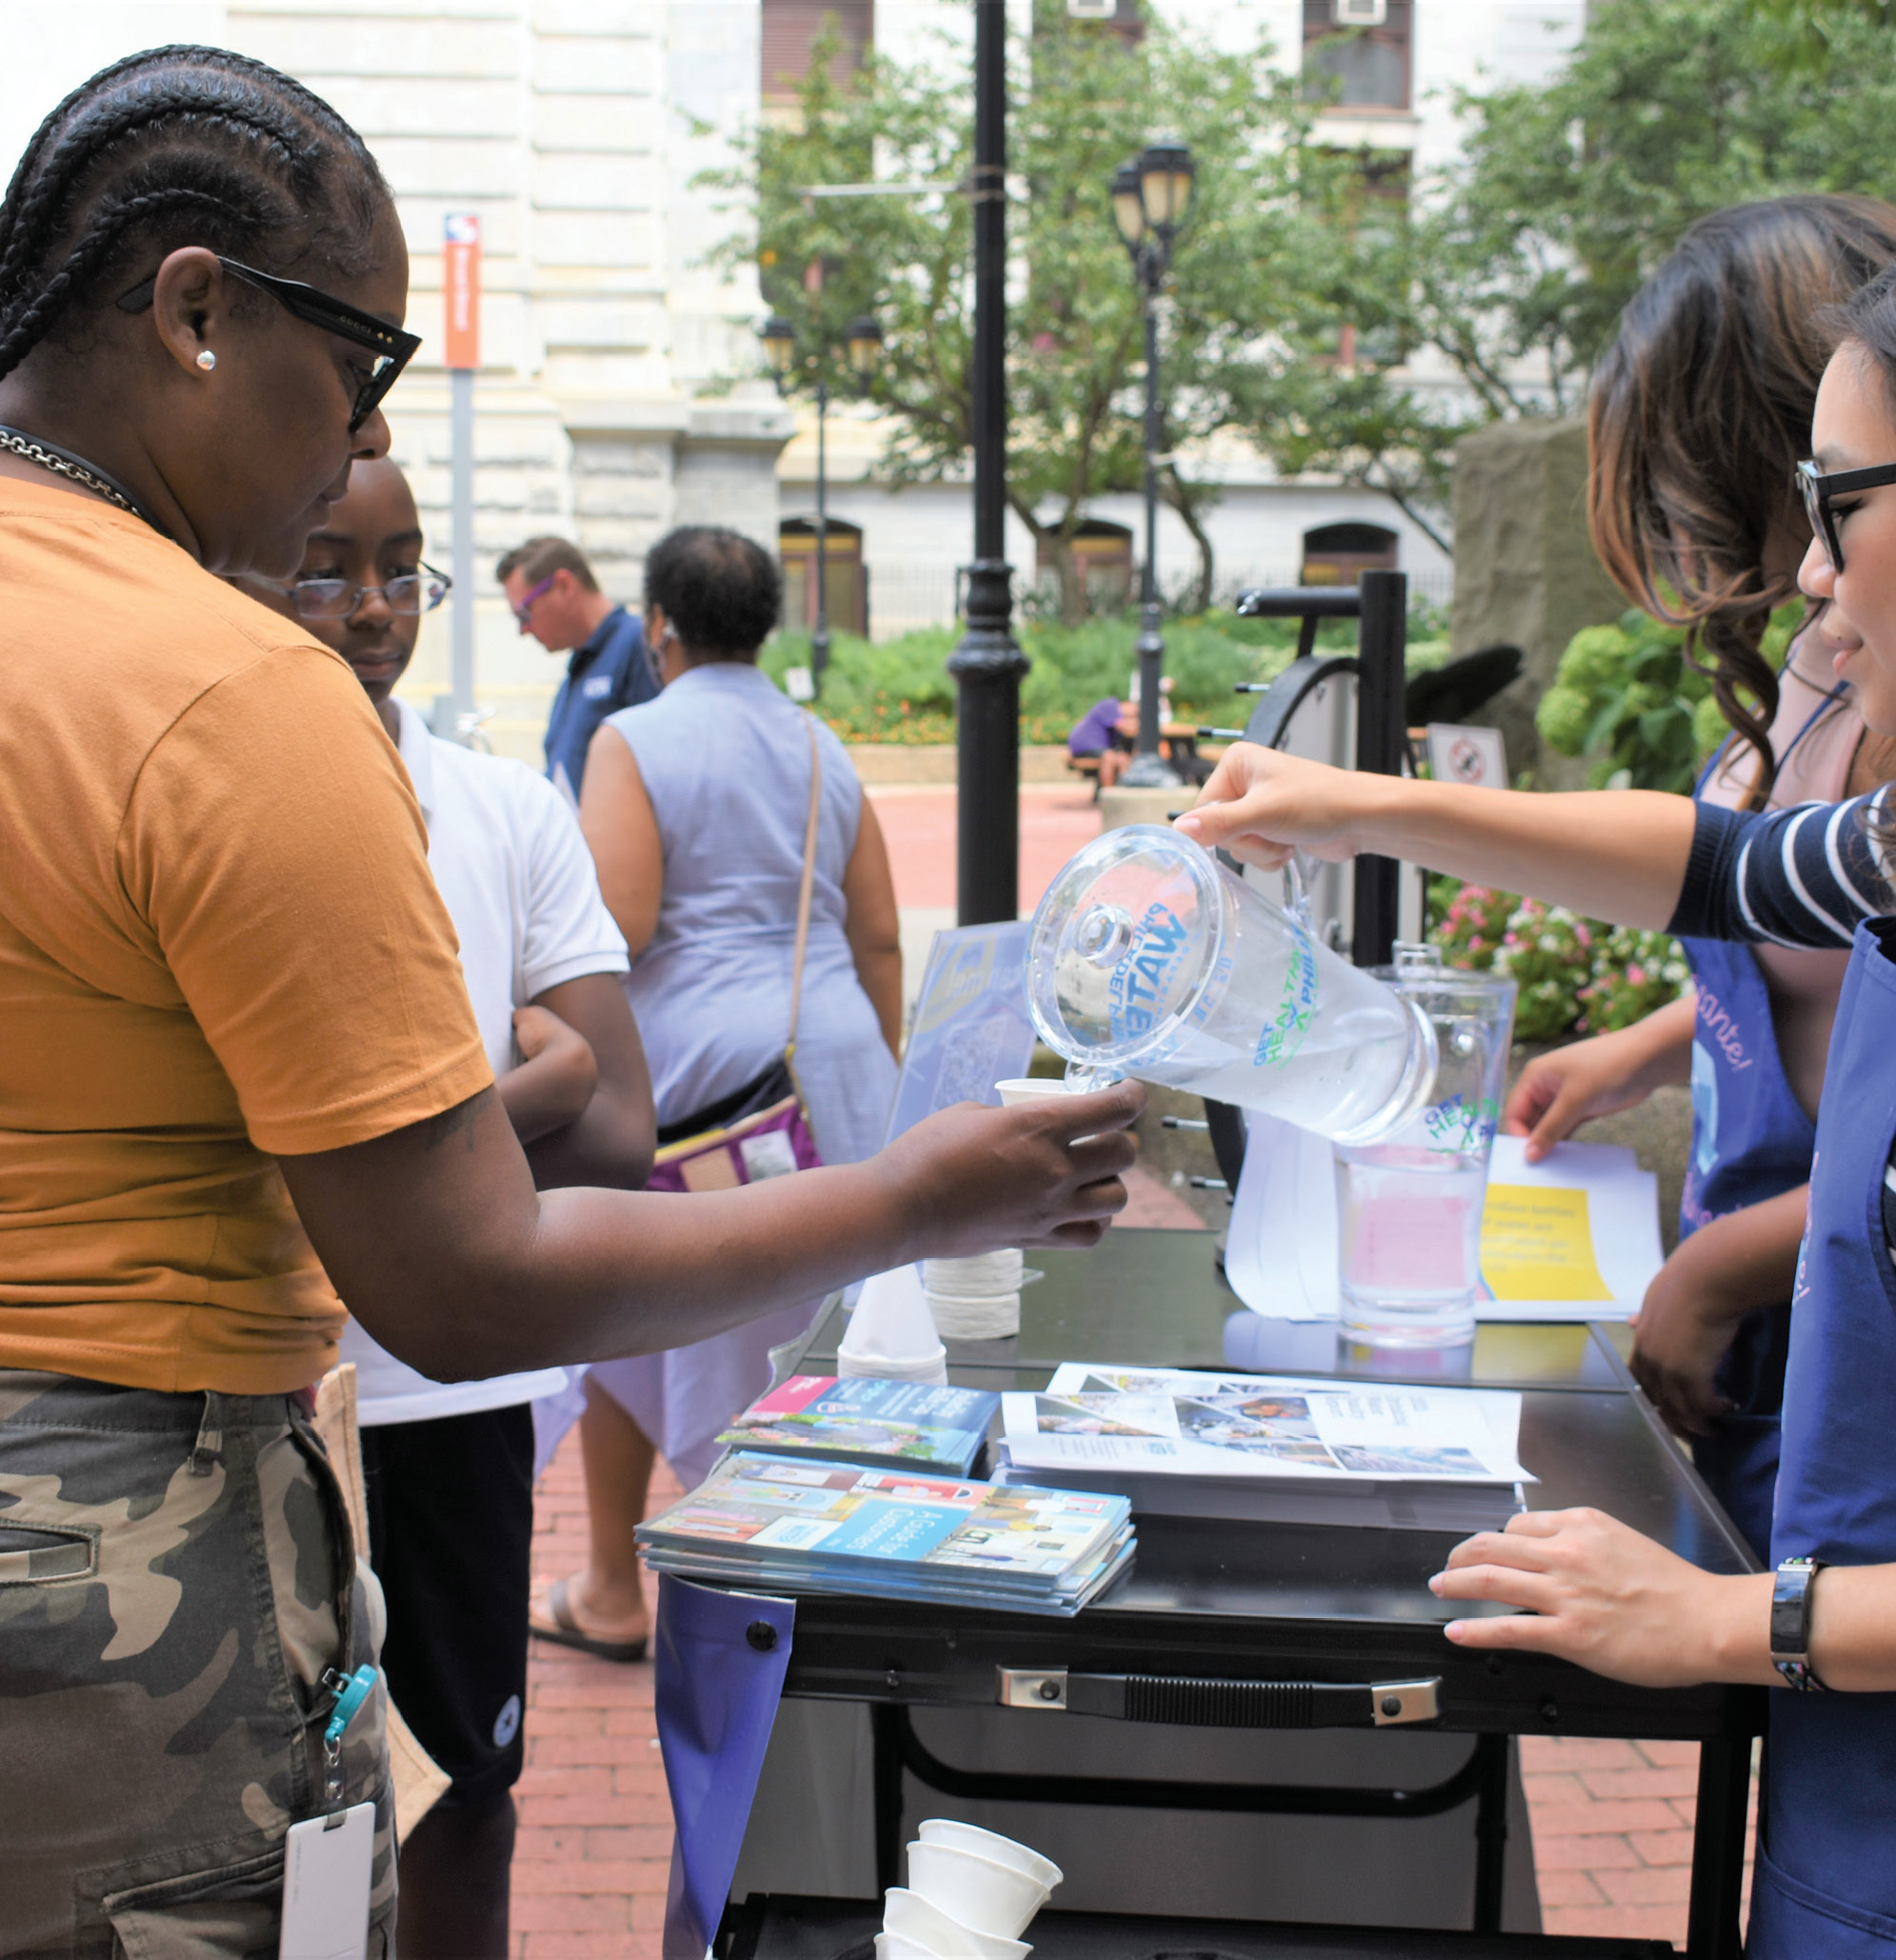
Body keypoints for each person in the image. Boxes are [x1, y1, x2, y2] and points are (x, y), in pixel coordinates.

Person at [0, 47, 1138, 1955]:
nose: (348, 449)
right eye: (355, 375)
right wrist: (932, 1195)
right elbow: (461, 1280)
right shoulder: (220, 692)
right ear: (195, 310)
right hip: (107, 1569)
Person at [1181, 201, 1896, 1957]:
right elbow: (1722, 867)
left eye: (1843, 506)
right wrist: (1356, 800)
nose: (1809, 581)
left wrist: (1732, 1619)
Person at [239, 454, 654, 1955]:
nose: (369, 605)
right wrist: (514, 1088)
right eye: (322, 564)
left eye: (401, 567)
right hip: (254, 1396)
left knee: (468, 1788)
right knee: (275, 1829)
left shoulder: (498, 802)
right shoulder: (201, 791)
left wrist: (537, 1097)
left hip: (453, 1391)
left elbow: (616, 1121)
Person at [1499, 195, 1896, 1560]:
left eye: (1687, 478)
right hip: (1755, 1322)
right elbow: (1811, 931)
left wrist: (1715, 1271)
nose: (1681, 540)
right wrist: (1656, 1041)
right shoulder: (1813, 649)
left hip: (1858, 1329)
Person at [533, 524, 904, 1658]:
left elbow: (623, 923)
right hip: (827, 1063)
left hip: (695, 1086)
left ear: (659, 627)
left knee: (635, 1317)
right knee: (821, 1334)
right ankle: (828, 1575)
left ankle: (616, 1583)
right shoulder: (820, 744)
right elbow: (878, 935)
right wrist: (858, 1088)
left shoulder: (631, 739)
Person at [495, 532, 659, 799]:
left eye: (524, 612)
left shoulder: (637, 646)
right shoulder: (581, 665)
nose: (524, 629)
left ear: (563, 584)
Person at [1069, 693, 1133, 789]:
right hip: (1084, 745)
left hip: (1097, 746)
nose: (1131, 717)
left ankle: (1122, 791)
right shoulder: (1111, 705)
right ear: (1127, 703)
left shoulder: (1119, 714)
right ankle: (1109, 795)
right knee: (1109, 758)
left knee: (1123, 758)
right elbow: (1127, 729)